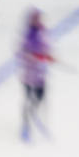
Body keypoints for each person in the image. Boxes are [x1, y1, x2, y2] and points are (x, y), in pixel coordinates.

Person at [18, 9, 54, 142]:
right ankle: (25, 125)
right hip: (28, 76)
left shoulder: (43, 32)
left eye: (38, 19)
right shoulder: (27, 35)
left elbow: (47, 47)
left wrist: (48, 56)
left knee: (39, 98)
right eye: (35, 19)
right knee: (27, 100)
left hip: (40, 76)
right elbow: (21, 53)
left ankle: (32, 111)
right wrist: (34, 57)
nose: (37, 21)